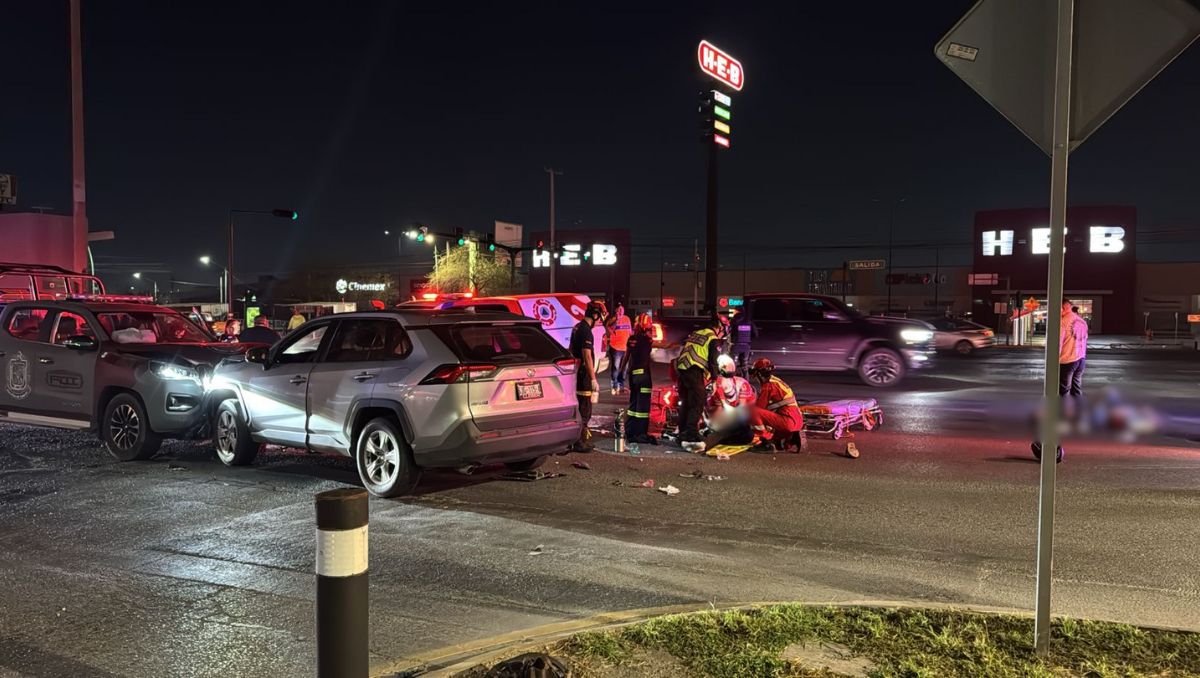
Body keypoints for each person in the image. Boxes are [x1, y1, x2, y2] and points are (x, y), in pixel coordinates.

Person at [673, 312, 728, 446]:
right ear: (720, 327)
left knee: (686, 402)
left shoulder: (698, 332)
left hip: (682, 369)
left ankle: (683, 431)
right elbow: (713, 361)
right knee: (699, 400)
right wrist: (715, 380)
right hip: (693, 370)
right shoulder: (713, 338)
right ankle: (690, 433)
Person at [567, 300, 606, 453]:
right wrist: (593, 378)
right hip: (583, 375)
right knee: (584, 408)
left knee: (577, 406)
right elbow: (587, 356)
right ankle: (580, 442)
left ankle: (574, 440)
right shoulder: (585, 330)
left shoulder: (577, 327)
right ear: (595, 315)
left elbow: (571, 349)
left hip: (577, 373)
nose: (599, 322)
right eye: (600, 318)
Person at [694, 354, 755, 452]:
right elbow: (716, 410)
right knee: (726, 429)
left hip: (741, 421)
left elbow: (743, 411)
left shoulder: (742, 384)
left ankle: (707, 442)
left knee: (744, 433)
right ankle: (708, 440)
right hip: (725, 421)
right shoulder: (715, 387)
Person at [747, 358, 805, 451]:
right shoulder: (776, 381)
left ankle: (764, 442)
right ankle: (789, 439)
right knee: (774, 434)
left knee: (752, 412)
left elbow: (759, 408)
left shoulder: (768, 386)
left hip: (787, 421)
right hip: (796, 420)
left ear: (759, 374)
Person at [620, 313, 655, 444]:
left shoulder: (631, 339)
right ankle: (640, 433)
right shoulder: (647, 340)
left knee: (634, 404)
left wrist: (620, 372)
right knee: (643, 408)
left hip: (633, 376)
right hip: (644, 377)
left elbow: (626, 356)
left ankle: (630, 430)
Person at [1059, 298, 1088, 399]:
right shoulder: (1082, 321)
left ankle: (1061, 413)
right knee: (1076, 389)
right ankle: (1079, 412)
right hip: (1081, 359)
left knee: (1063, 391)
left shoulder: (1063, 322)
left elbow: (1058, 343)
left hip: (1067, 360)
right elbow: (1084, 340)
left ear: (1063, 307)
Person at [606, 305, 632, 395]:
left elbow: (630, 332)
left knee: (624, 368)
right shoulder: (612, 320)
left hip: (626, 348)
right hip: (616, 348)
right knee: (616, 367)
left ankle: (621, 385)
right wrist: (617, 320)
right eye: (619, 309)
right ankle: (614, 385)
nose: (621, 311)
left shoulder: (627, 319)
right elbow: (610, 329)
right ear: (615, 310)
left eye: (622, 309)